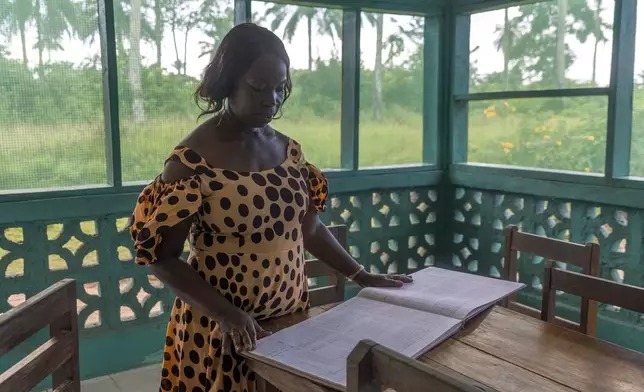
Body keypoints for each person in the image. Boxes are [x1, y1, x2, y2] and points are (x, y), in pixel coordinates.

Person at [129, 23, 412, 392]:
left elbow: (307, 230)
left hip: (289, 320)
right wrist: (228, 315)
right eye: (259, 88)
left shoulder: (290, 152)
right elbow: (162, 258)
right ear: (228, 82)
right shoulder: (192, 162)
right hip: (222, 332)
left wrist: (361, 275)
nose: (272, 100)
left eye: (280, 89)